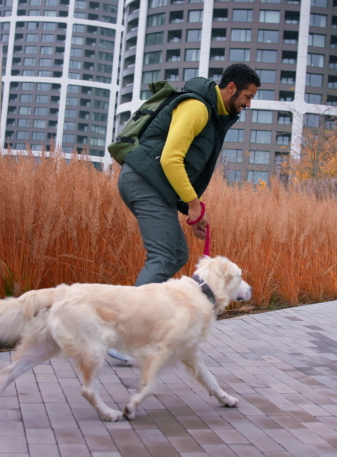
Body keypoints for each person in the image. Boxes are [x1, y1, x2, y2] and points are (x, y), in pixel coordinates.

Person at [109, 64, 260, 362]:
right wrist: (192, 204)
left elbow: (186, 168)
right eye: (247, 96)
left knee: (177, 253)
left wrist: (197, 208)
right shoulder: (197, 108)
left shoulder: (213, 115)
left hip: (153, 184)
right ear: (231, 87)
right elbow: (170, 159)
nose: (248, 104)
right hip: (143, 181)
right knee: (163, 257)